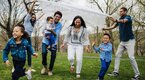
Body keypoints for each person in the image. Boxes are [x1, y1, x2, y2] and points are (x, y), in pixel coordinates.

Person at [103, 7, 140, 80]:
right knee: (117, 55)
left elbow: (124, 21)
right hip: (122, 42)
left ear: (125, 12)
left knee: (131, 57)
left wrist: (116, 20)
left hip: (130, 41)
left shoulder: (128, 17)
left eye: (121, 11)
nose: (120, 13)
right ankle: (116, 72)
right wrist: (105, 29)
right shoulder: (119, 20)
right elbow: (113, 27)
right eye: (119, 12)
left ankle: (137, 74)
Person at [23, 0, 44, 71]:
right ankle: (18, 66)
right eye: (32, 17)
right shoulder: (26, 20)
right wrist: (33, 3)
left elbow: (38, 18)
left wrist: (43, 13)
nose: (33, 18)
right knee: (22, 52)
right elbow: (29, 12)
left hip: (28, 38)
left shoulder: (33, 23)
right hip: (23, 38)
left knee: (29, 53)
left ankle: (29, 67)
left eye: (34, 17)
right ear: (30, 17)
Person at [41, 11, 63, 76]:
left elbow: (56, 34)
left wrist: (51, 30)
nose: (57, 18)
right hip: (45, 41)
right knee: (44, 53)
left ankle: (50, 70)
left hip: (53, 42)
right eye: (56, 16)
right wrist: (45, 34)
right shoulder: (48, 21)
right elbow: (43, 30)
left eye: (59, 17)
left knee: (53, 56)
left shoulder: (59, 25)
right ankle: (45, 67)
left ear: (60, 18)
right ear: (54, 16)